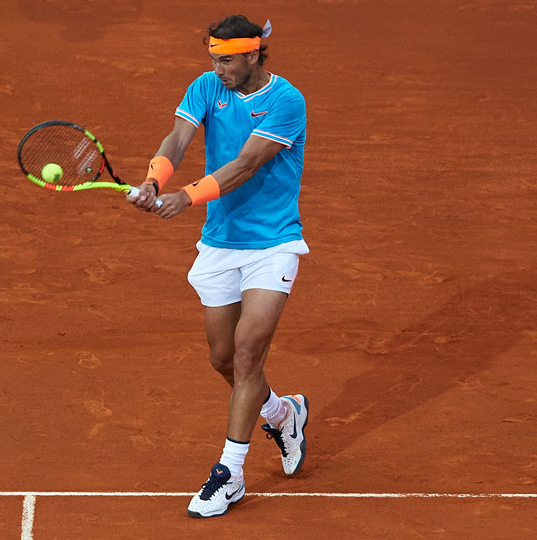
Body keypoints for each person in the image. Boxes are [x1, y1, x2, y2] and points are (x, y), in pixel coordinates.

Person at [128, 14, 309, 519]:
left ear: (253, 54)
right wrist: (153, 180)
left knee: (248, 355)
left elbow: (248, 164)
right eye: (213, 58)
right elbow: (177, 140)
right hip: (220, 246)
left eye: (227, 60)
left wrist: (186, 197)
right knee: (223, 358)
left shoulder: (285, 101)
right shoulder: (207, 87)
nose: (218, 68)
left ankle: (229, 473)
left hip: (274, 244)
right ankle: (283, 413)